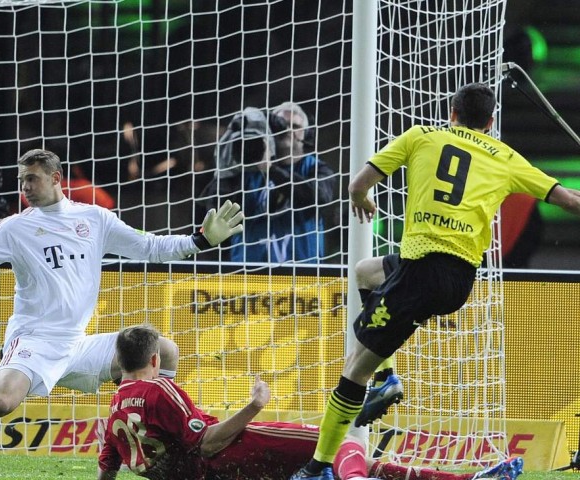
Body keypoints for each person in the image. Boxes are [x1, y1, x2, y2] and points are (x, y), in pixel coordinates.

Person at [0, 148, 244, 466]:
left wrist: (201, 240)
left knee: (165, 350)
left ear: (56, 179)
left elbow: (151, 246)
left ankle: (176, 451)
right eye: (22, 180)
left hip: (77, 345)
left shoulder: (95, 219)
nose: (25, 186)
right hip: (34, 341)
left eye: (32, 178)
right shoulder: (15, 227)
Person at [293, 82, 580, 480]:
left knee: (352, 368)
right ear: (491, 122)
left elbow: (357, 184)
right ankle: (387, 380)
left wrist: (361, 199)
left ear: (452, 111)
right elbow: (568, 198)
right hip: (456, 275)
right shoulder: (507, 157)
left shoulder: (420, 135)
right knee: (365, 272)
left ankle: (316, 468)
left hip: (422, 273)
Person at [97, 324, 523, 480]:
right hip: (226, 456)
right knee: (340, 445)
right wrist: (254, 406)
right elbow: (206, 442)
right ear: (154, 361)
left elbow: (107, 466)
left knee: (348, 459)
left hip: (207, 474)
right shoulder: (159, 392)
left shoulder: (116, 405)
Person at [198, 103, 335, 263]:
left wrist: (271, 169)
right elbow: (216, 211)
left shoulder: (316, 167)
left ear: (307, 135)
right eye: (281, 124)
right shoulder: (246, 170)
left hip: (302, 276)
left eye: (295, 126)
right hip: (248, 274)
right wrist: (226, 168)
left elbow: (318, 197)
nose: (288, 130)